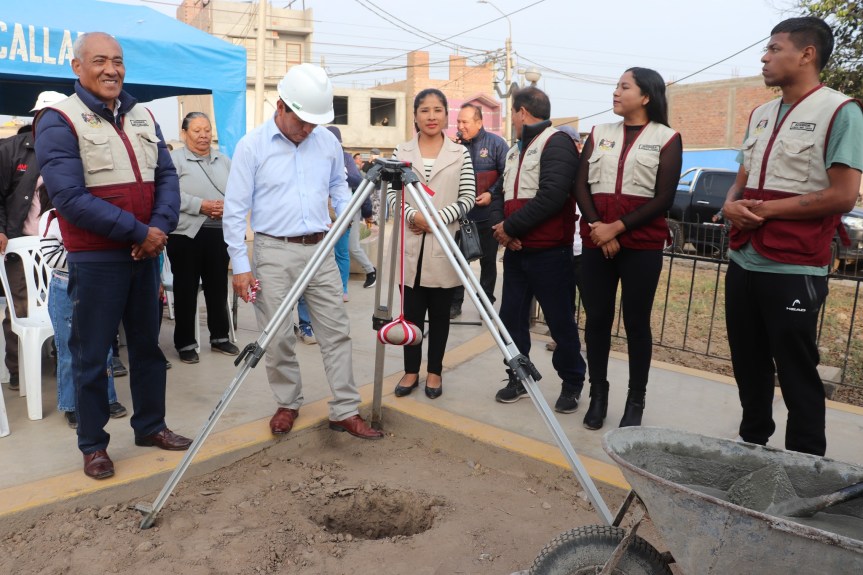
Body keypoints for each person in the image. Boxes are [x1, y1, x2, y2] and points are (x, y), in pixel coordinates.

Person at [35, 32, 192, 480]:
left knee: (147, 348)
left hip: (146, 255)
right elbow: (70, 198)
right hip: (98, 260)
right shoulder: (59, 120)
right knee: (91, 355)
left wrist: (158, 230)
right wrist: (142, 232)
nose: (111, 69)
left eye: (118, 61)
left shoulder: (142, 114)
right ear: (77, 67)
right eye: (100, 60)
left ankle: (151, 426)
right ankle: (93, 445)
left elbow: (167, 177)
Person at [722, 17, 863, 456]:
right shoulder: (760, 114)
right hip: (743, 259)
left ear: (807, 54)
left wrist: (762, 212)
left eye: (774, 48)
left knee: (797, 369)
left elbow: (843, 195)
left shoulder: (841, 111)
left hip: (794, 265)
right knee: (748, 363)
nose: (764, 57)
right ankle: (751, 445)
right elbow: (740, 180)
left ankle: (805, 465)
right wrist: (731, 204)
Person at [223, 63, 382, 439]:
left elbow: (339, 189)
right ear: (280, 106)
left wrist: (344, 218)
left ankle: (344, 408)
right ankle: (287, 402)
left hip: (321, 250)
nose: (309, 128)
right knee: (277, 335)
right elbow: (234, 211)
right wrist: (241, 266)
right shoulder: (252, 147)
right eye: (302, 120)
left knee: (336, 332)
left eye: (315, 121)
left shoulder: (327, 142)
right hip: (272, 253)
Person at [575, 68, 682, 430]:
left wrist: (616, 228)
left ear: (646, 96)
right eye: (617, 85)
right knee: (597, 321)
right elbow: (580, 185)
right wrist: (597, 228)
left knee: (637, 324)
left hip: (642, 246)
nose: (616, 92)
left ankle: (636, 400)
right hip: (596, 241)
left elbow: (663, 197)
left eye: (624, 86)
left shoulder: (667, 138)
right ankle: (598, 396)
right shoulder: (599, 133)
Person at [489, 87, 585, 414]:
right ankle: (519, 375)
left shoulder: (555, 142)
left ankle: (572, 381)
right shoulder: (516, 150)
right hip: (517, 252)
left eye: (512, 112)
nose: (511, 119)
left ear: (522, 112)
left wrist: (511, 228)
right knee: (511, 319)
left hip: (549, 254)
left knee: (559, 322)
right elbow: (502, 195)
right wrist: (503, 230)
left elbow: (552, 196)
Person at [388, 88, 475, 400]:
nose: (431, 116)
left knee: (439, 317)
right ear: (415, 116)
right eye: (424, 110)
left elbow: (467, 198)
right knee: (410, 316)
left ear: (446, 116)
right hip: (409, 245)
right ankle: (411, 370)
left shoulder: (460, 153)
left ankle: (435, 372)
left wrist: (437, 218)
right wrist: (413, 216)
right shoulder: (401, 152)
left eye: (438, 110)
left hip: (443, 243)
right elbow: (391, 196)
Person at [0, 90, 66, 392]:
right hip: (20, 245)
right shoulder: (10, 149)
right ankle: (19, 369)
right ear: (37, 117)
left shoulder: (70, 148)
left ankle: (60, 359)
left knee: (63, 304)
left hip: (59, 247)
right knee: (22, 307)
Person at [40, 207, 128, 428]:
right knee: (70, 351)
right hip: (65, 286)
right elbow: (50, 255)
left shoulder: (100, 213)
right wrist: (87, 261)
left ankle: (106, 398)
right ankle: (71, 404)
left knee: (104, 347)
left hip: (98, 285)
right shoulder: (55, 216)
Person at [168, 111, 239, 364]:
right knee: (185, 289)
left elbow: (238, 190)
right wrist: (201, 206)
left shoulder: (223, 160)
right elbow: (168, 194)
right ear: (184, 133)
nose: (203, 135)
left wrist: (226, 207)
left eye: (207, 130)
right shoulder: (173, 159)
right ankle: (186, 343)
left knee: (218, 287)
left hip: (218, 233)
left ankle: (220, 337)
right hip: (185, 234)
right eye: (197, 130)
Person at [450, 103, 508, 319]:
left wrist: (492, 193)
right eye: (458, 122)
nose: (461, 126)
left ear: (479, 122)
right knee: (459, 260)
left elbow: (507, 173)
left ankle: (486, 302)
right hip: (462, 215)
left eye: (465, 122)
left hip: (489, 213)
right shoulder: (455, 145)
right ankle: (455, 303)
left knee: (488, 260)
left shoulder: (496, 144)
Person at [546, 125, 583, 354]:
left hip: (585, 247)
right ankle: (563, 340)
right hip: (563, 245)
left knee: (591, 300)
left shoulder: (585, 168)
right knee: (563, 300)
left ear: (577, 146)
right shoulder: (552, 169)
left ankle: (593, 340)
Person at [326, 126, 375, 294]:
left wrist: (341, 174)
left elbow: (361, 186)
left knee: (349, 248)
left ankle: (369, 273)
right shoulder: (320, 157)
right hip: (327, 212)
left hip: (349, 211)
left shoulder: (346, 159)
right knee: (330, 252)